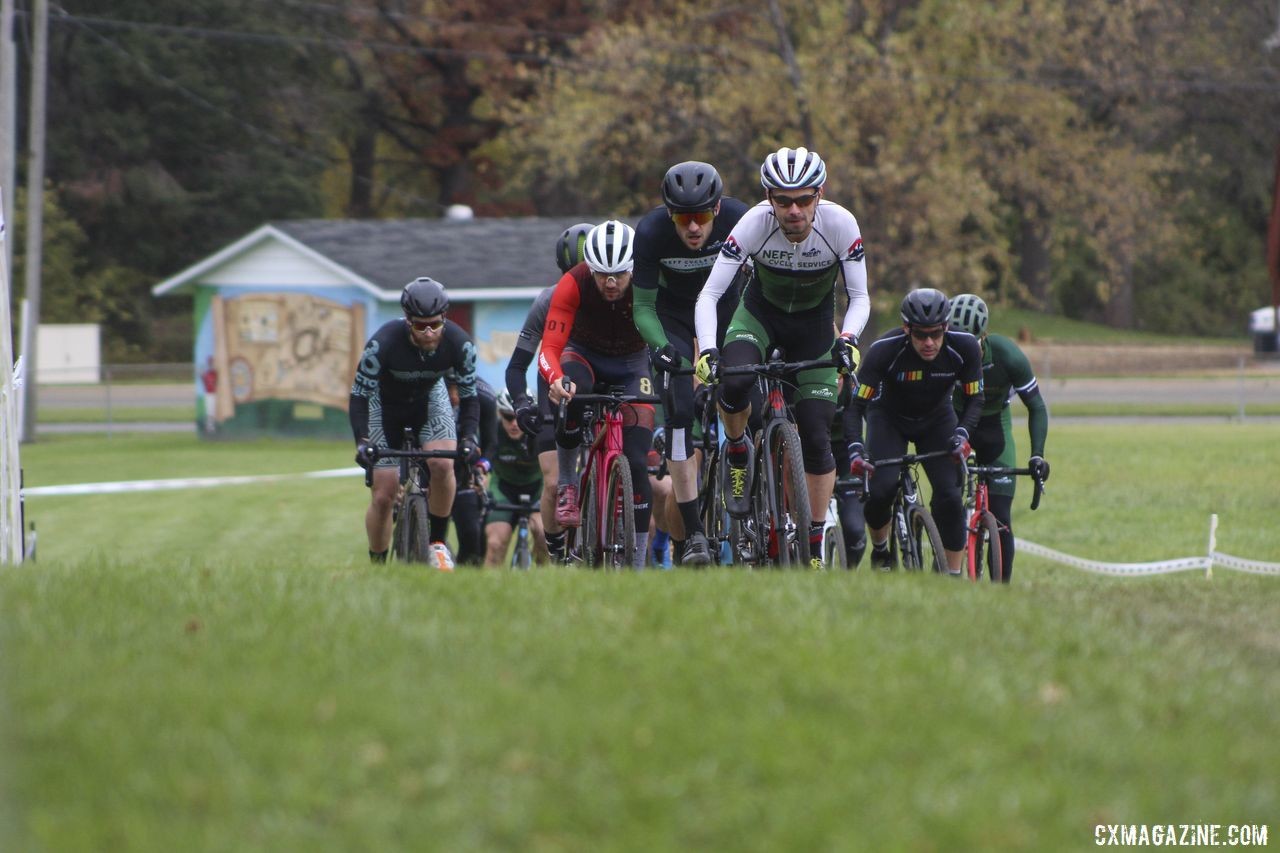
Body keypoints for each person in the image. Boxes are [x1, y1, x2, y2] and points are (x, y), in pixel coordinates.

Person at [693, 146, 871, 569]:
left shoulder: (841, 224)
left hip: (813, 328)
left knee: (815, 431)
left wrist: (847, 338)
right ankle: (737, 449)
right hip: (758, 318)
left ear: (819, 195)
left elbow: (860, 296)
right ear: (769, 199)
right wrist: (709, 349)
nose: (794, 210)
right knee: (734, 383)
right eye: (784, 200)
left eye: (805, 200)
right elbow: (711, 294)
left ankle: (811, 540)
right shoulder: (753, 224)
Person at [633, 161, 750, 566]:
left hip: (728, 309)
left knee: (749, 381)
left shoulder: (740, 218)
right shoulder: (650, 234)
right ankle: (694, 533)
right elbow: (643, 307)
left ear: (718, 210)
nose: (693, 228)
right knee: (680, 412)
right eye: (683, 219)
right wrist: (661, 346)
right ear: (669, 215)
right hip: (674, 318)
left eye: (701, 216)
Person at [538, 220, 656, 568]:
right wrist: (556, 379)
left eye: (619, 274)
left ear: (632, 268)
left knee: (637, 462)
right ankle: (569, 486)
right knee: (573, 390)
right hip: (583, 356)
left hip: (632, 363)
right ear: (589, 267)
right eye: (602, 273)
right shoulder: (573, 282)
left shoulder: (650, 279)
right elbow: (549, 348)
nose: (610, 282)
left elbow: (672, 332)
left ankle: (636, 562)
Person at [842, 288, 984, 575]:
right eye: (920, 335)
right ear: (907, 329)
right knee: (880, 490)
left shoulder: (965, 347)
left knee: (950, 498)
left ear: (946, 327)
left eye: (935, 334)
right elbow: (855, 408)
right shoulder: (884, 350)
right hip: (888, 418)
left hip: (937, 418)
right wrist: (856, 449)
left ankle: (953, 577)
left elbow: (975, 399)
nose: (929, 342)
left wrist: (963, 434)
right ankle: (881, 549)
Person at [350, 277, 481, 570]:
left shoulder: (460, 345)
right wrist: (362, 441)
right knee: (384, 494)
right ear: (408, 321)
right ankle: (378, 563)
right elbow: (359, 396)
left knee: (443, 464)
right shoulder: (382, 344)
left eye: (435, 324)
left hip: (428, 397)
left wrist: (470, 438)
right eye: (421, 326)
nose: (429, 332)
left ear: (444, 318)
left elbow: (471, 397)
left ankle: (436, 542)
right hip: (383, 403)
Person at [504, 222, 594, 563]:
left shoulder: (615, 299)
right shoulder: (546, 302)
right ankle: (556, 546)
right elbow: (516, 366)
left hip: (593, 385)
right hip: (552, 392)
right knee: (556, 481)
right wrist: (523, 404)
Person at [948, 293, 1050, 582]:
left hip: (994, 426)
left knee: (1002, 518)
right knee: (949, 503)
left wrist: (1037, 454)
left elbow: (1037, 406)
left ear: (984, 337)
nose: (962, 350)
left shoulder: (1008, 355)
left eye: (969, 342)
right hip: (956, 421)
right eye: (955, 340)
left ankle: (1001, 593)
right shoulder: (942, 354)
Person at [483, 388, 549, 566]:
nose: (513, 423)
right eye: (507, 417)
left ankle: (544, 584)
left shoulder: (539, 431)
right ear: (499, 415)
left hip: (537, 489)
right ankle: (490, 590)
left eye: (518, 417)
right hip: (503, 489)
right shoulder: (493, 431)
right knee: (496, 543)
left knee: (543, 536)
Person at [450, 375, 498, 566]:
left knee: (472, 540)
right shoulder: (425, 387)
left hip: (465, 466)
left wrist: (482, 468)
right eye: (448, 388)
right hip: (429, 463)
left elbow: (491, 443)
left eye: (458, 389)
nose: (454, 396)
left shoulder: (484, 394)